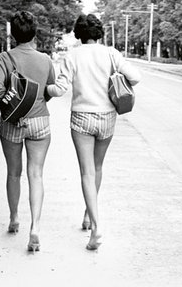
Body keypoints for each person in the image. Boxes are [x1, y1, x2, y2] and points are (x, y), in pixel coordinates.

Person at [46, 13, 141, 250]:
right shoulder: (111, 53)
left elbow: (59, 89)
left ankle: (96, 227)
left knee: (87, 172)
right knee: (97, 168)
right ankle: (88, 216)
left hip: (81, 118)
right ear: (99, 33)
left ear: (78, 34)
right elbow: (136, 78)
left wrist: (44, 88)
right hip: (107, 118)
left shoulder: (73, 55)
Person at [0, 11, 56, 252]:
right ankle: (35, 227)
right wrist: (36, 102)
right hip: (40, 121)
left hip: (11, 124)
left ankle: (14, 218)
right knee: (36, 174)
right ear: (34, 33)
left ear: (13, 34)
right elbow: (49, 89)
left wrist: (13, 109)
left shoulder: (3, 59)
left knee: (14, 173)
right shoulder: (45, 60)